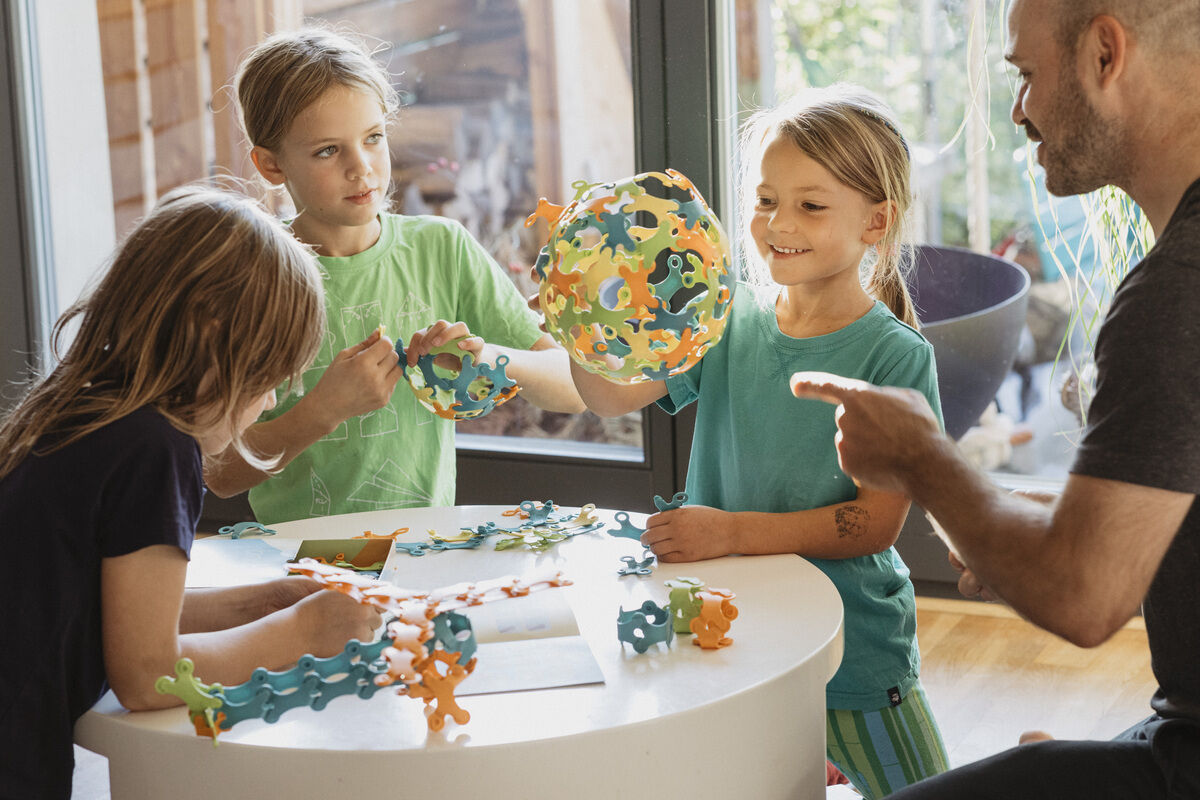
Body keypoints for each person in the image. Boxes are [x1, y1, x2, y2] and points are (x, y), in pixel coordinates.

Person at [791, 2, 1200, 797]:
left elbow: (1082, 597)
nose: (1019, 109)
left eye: (1026, 75)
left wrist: (922, 460)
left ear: (1105, 54)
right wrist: (1048, 513)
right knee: (1041, 761)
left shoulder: (1176, 296)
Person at [571, 84, 949, 799]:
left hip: (856, 654)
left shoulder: (895, 357)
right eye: (765, 199)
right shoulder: (726, 316)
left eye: (811, 204)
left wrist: (733, 532)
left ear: (876, 221)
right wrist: (584, 308)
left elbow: (874, 522)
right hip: (727, 631)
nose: (779, 222)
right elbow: (608, 395)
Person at [0, 185, 382, 800]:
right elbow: (148, 674)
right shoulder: (155, 448)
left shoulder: (85, 413)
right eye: (271, 371)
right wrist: (303, 634)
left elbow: (111, 608)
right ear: (212, 332)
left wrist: (265, 601)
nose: (274, 397)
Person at [204, 28, 584, 524]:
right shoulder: (250, 279)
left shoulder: (442, 248)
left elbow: (572, 388)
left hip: (427, 555)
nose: (361, 168)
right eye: (327, 151)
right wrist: (324, 410)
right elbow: (220, 472)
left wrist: (489, 357)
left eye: (373, 138)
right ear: (271, 164)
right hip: (295, 568)